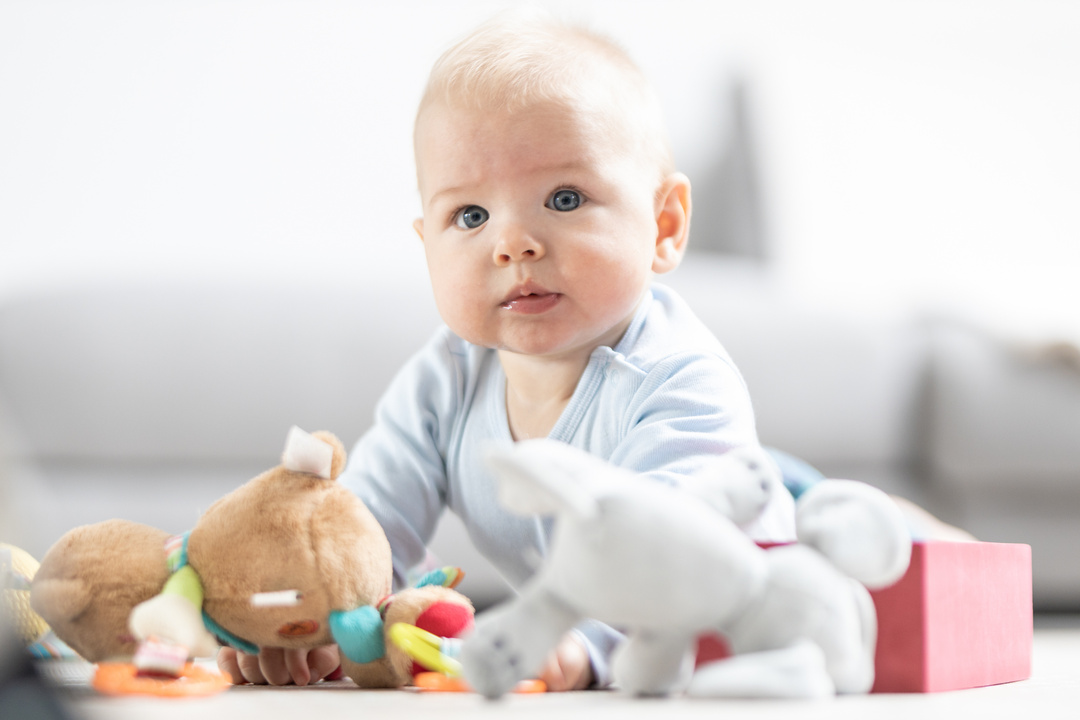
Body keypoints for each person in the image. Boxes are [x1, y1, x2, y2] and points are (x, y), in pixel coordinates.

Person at [218, 11, 967, 690]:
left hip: (732, 520)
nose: (514, 241)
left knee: (855, 536)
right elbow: (369, 526)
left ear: (664, 225)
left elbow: (670, 559)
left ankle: (903, 523)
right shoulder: (446, 377)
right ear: (427, 247)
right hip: (681, 502)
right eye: (470, 215)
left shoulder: (681, 377)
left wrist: (590, 643)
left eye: (565, 198)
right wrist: (317, 620)